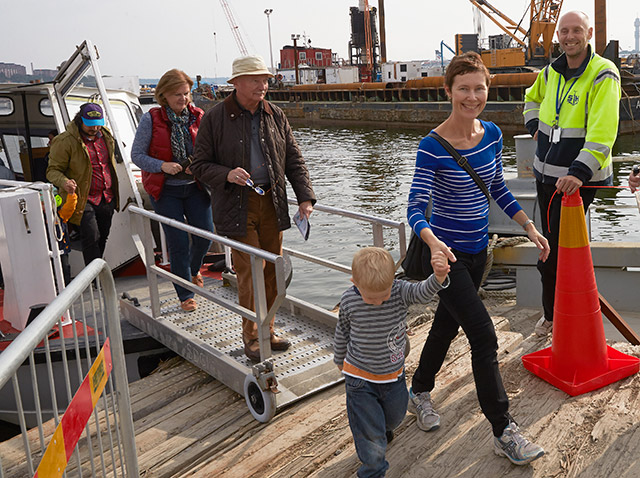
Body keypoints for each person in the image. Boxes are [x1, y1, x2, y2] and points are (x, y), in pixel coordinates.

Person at [407, 51, 550, 466]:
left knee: (446, 324)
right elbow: (415, 206)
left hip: (478, 253)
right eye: (463, 88)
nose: (472, 97)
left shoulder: (490, 135)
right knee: (484, 337)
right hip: (446, 261)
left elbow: (497, 190)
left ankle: (418, 389)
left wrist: (529, 226)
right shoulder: (431, 146)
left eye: (479, 88)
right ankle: (504, 430)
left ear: (488, 90)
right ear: (448, 91)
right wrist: (433, 243)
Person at [191, 56, 315, 361]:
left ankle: (268, 329)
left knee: (273, 270)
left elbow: (293, 160)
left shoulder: (276, 115)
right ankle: (252, 336)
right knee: (251, 273)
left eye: (266, 80)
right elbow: (199, 166)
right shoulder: (214, 118)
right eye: (255, 80)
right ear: (236, 83)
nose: (263, 85)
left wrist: (305, 197)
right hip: (237, 204)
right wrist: (228, 174)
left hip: (271, 202)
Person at [523, 10, 621, 336]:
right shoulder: (551, 72)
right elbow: (530, 99)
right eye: (564, 31)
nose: (569, 37)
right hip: (546, 176)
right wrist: (534, 124)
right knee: (551, 247)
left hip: (578, 181)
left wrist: (579, 171)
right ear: (558, 35)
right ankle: (554, 315)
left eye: (576, 30)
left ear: (589, 33)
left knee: (556, 250)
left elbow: (604, 130)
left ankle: (555, 318)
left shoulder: (603, 74)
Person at [334, 247, 449, 478]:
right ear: (354, 282)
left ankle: (382, 430)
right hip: (359, 377)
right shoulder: (348, 300)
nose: (377, 303)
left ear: (393, 282)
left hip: (393, 375)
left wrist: (438, 277)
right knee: (370, 433)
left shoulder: (399, 292)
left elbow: (422, 293)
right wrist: (339, 358)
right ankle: (373, 470)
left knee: (395, 416)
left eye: (383, 297)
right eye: (370, 298)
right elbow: (342, 331)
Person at [131, 69, 213, 312]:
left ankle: (193, 269)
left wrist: (197, 167)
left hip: (195, 187)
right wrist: (162, 166)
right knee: (177, 242)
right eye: (177, 94)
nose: (183, 99)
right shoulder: (151, 119)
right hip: (165, 190)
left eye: (186, 93)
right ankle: (185, 294)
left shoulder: (199, 116)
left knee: (206, 234)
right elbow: (137, 156)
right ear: (163, 95)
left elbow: (210, 151)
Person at [47, 103, 119, 266]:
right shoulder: (64, 141)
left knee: (103, 235)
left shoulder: (106, 136)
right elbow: (52, 171)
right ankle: (94, 278)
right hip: (82, 197)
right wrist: (64, 182)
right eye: (90, 125)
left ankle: (97, 270)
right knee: (91, 236)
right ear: (80, 120)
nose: (94, 129)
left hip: (106, 196)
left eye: (97, 125)